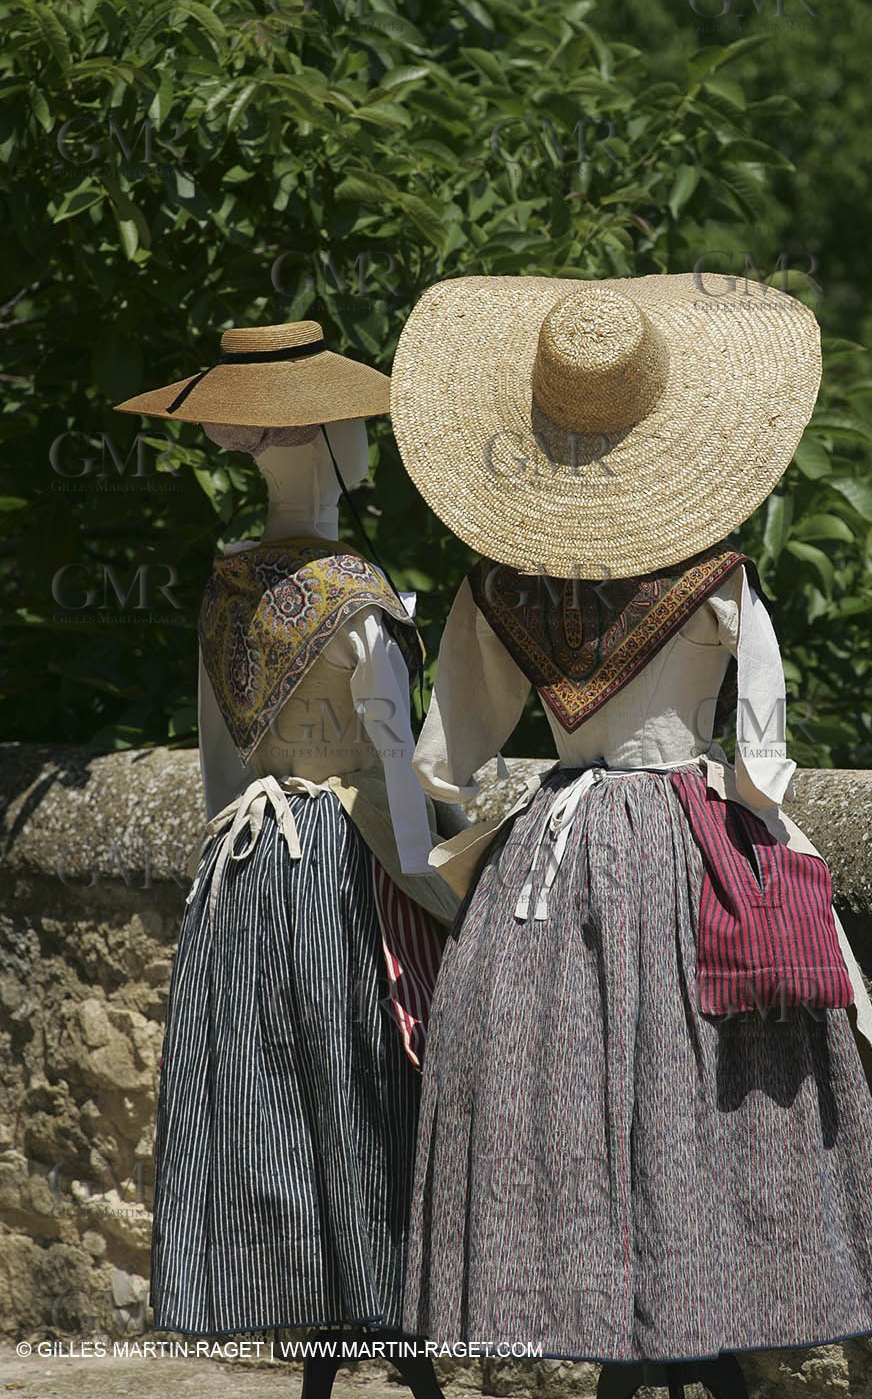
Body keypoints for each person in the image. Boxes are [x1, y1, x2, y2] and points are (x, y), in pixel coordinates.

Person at [388, 276, 872, 1399]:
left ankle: (605, 1324)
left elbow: (440, 761)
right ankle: (709, 1322)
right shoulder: (720, 584)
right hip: (685, 859)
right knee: (700, 1109)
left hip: (545, 870)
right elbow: (760, 765)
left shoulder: (494, 591)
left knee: (566, 1116)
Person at [115, 320, 457, 1399]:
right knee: (358, 1089)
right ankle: (383, 1321)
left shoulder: (224, 591)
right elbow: (395, 773)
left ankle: (312, 1328)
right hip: (341, 868)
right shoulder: (362, 599)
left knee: (271, 1101)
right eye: (354, 425)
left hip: (244, 872)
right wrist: (440, 894)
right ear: (318, 437)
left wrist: (237, 868)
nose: (368, 443)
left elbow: (219, 768)